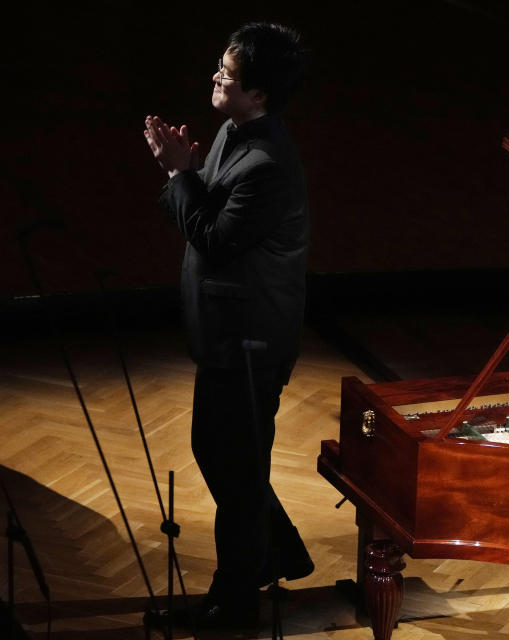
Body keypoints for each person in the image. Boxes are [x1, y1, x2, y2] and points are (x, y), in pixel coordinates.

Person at [143, 22, 313, 628]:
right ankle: (273, 553)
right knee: (223, 456)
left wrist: (175, 173)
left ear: (259, 94)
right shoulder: (231, 131)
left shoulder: (266, 162)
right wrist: (188, 169)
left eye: (228, 73)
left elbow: (213, 237)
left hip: (250, 343)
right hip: (224, 335)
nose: (216, 76)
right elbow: (208, 215)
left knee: (235, 471)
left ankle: (233, 602)